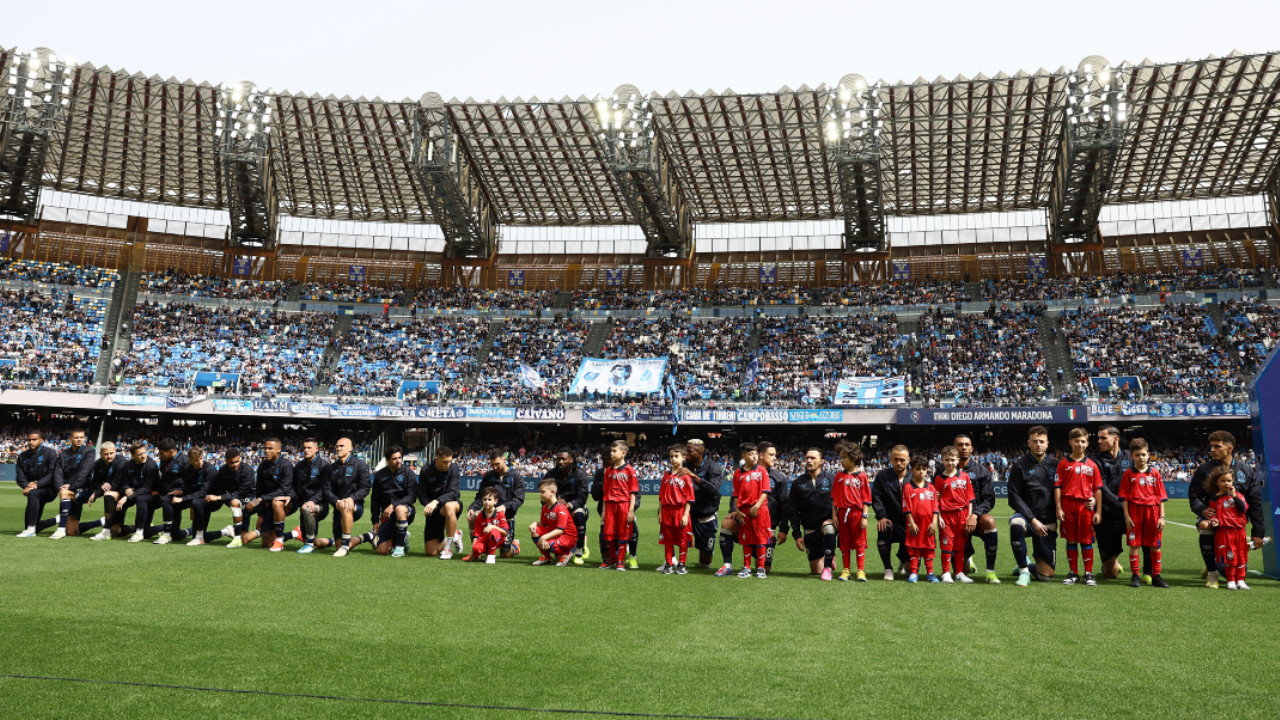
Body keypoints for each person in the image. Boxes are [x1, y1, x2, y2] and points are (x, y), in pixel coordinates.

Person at [1189, 430, 1266, 589]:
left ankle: (1214, 562)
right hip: (1214, 519)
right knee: (1204, 527)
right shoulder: (1204, 470)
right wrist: (1203, 510)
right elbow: (1194, 496)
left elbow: (1255, 503)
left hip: (1236, 524)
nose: (1212, 450)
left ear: (1229, 448)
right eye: (1211, 446)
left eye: (1217, 446)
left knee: (1235, 572)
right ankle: (1212, 573)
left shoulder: (1246, 471)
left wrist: (1258, 533)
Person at [1008, 425, 1059, 587]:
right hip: (1027, 517)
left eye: (1041, 441)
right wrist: (1032, 519)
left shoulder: (1056, 465)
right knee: (1016, 524)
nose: (1038, 444)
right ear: (1028, 443)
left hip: (1048, 522)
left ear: (1047, 444)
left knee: (1046, 576)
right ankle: (1024, 571)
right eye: (1035, 441)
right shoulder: (1019, 465)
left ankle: (1027, 564)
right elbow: (1013, 497)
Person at [1056, 427, 1103, 586]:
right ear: (1070, 442)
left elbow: (1097, 489)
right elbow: (1058, 487)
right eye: (1076, 441)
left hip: (1085, 507)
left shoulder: (1092, 465)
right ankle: (1073, 573)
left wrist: (1098, 511)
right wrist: (1058, 508)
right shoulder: (1063, 464)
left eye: (1083, 441)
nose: (1080, 444)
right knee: (1071, 540)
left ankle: (1088, 573)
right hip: (1068, 505)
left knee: (1086, 540)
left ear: (1087, 443)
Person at [1119, 438, 1168, 588]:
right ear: (1132, 456)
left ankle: (1157, 576)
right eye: (1138, 455)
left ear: (1148, 455)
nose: (1141, 457)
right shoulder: (1128, 474)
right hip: (1135, 513)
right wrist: (1126, 516)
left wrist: (1162, 517)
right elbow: (1124, 498)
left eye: (1144, 454)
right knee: (1134, 544)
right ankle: (1135, 576)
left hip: (1153, 513)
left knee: (1155, 545)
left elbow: (1161, 497)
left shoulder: (1155, 474)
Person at [954, 434, 999, 583]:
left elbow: (989, 500)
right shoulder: (943, 469)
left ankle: (990, 572)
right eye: (960, 444)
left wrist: (974, 514)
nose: (964, 447)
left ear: (972, 448)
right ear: (954, 448)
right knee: (961, 573)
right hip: (954, 520)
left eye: (967, 444)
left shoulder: (982, 471)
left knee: (989, 521)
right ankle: (968, 557)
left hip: (975, 518)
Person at [316, 437, 372, 557]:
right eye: (337, 446)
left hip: (355, 506)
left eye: (342, 446)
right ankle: (368, 536)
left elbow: (365, 488)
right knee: (338, 546)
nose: (338, 448)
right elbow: (326, 490)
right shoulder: (330, 468)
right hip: (338, 508)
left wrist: (351, 498)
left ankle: (345, 546)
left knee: (347, 507)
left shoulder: (360, 465)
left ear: (350, 449)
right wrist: (336, 502)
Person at [1090, 425, 1133, 580]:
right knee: (1111, 575)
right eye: (1098, 438)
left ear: (1115, 439)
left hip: (1129, 514)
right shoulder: (1094, 460)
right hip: (1107, 517)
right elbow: (1102, 489)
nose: (1099, 441)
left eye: (1103, 438)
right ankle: (1109, 562)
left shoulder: (1131, 457)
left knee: (1149, 536)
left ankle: (1148, 571)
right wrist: (1124, 506)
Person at [239, 438, 295, 551]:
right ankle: (294, 533)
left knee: (277, 502)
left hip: (288, 502)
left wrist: (260, 499)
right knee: (266, 543)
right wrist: (260, 514)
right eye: (265, 448)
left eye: (270, 448)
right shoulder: (263, 466)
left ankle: (279, 540)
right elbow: (259, 490)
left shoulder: (286, 465)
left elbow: (285, 489)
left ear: (279, 450)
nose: (266, 451)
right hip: (268, 504)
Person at [190, 448, 254, 546]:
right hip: (229, 498)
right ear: (226, 461)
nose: (235, 464)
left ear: (240, 459)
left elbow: (242, 492)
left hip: (248, 498)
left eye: (237, 461)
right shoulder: (223, 470)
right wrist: (195, 504)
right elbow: (217, 487)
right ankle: (225, 531)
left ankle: (248, 532)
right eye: (232, 462)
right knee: (197, 535)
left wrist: (218, 497)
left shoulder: (247, 470)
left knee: (244, 539)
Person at [789, 447, 837, 580]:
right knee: (816, 571)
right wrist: (797, 535)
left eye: (813, 458)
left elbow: (839, 502)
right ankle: (829, 554)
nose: (809, 461)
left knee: (828, 527)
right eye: (807, 458)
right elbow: (793, 510)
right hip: (810, 529)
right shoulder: (797, 483)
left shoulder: (832, 479)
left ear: (822, 461)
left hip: (828, 525)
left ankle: (828, 561)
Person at [466, 450, 524, 559]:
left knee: (505, 555)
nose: (494, 467)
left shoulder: (516, 476)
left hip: (506, 519)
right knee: (473, 516)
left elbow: (519, 499)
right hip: (488, 517)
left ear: (504, 460)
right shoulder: (488, 476)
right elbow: (480, 496)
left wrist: (505, 506)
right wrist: (472, 508)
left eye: (497, 464)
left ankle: (515, 546)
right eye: (492, 464)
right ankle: (476, 550)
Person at [727, 442, 771, 579]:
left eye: (755, 453)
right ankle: (746, 567)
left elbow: (765, 491)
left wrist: (757, 506)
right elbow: (736, 494)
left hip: (759, 510)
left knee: (760, 538)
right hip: (744, 511)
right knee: (746, 539)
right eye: (750, 454)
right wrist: (738, 511)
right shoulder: (737, 473)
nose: (754, 456)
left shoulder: (762, 471)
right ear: (744, 456)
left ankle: (761, 567)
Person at [1205, 466, 1251, 590]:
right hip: (1225, 531)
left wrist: (1234, 496)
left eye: (1229, 481)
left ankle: (1240, 580)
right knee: (1229, 556)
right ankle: (1230, 580)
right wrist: (1214, 521)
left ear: (1233, 481)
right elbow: (1213, 514)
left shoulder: (1238, 496)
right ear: (1217, 482)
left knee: (1241, 556)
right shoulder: (1214, 498)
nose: (1226, 483)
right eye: (1223, 481)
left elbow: (1243, 509)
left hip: (1239, 530)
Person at [933, 446, 974, 584]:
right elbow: (935, 501)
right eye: (947, 460)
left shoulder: (965, 477)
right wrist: (939, 517)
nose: (950, 462)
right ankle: (945, 572)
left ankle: (959, 572)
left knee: (960, 546)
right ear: (942, 461)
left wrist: (968, 516)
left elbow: (969, 500)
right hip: (946, 516)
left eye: (952, 459)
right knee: (946, 545)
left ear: (957, 460)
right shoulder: (938, 479)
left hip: (962, 515)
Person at [831, 440, 871, 582]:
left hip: (857, 513)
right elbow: (834, 499)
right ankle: (846, 570)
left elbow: (866, 499)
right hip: (842, 514)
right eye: (840, 457)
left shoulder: (862, 476)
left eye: (843, 457)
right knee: (845, 543)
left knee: (860, 543)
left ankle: (860, 571)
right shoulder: (838, 477)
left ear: (853, 458)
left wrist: (864, 516)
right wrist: (834, 515)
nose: (840, 461)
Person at [543, 447, 591, 564]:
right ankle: (559, 550)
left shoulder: (580, 474)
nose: (560, 462)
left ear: (571, 460)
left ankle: (579, 550)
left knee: (579, 515)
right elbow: (544, 493)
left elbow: (583, 497)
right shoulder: (551, 474)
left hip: (575, 507)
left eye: (563, 459)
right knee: (559, 555)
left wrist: (569, 505)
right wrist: (554, 505)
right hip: (556, 508)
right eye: (558, 459)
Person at [368, 445, 418, 558]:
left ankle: (399, 547)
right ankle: (402, 536)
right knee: (383, 550)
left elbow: (412, 496)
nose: (398, 461)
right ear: (387, 460)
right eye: (394, 458)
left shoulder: (409, 473)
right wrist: (375, 521)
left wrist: (394, 505)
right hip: (387, 515)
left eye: (399, 458)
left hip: (406, 511)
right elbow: (375, 499)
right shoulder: (380, 475)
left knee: (400, 509)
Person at [871, 445, 912, 580]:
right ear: (891, 459)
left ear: (908, 460)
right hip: (891, 522)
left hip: (910, 524)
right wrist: (882, 517)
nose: (899, 463)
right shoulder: (882, 476)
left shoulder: (915, 477)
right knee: (883, 527)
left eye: (902, 460)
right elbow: (876, 498)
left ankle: (903, 558)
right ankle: (888, 569)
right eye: (895, 459)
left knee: (910, 569)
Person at [598, 440, 639, 571]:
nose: (611, 453)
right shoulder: (608, 471)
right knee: (608, 534)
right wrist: (604, 510)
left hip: (624, 505)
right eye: (611, 450)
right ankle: (612, 558)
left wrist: (631, 510)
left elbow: (633, 492)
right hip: (609, 505)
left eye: (614, 451)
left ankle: (620, 561)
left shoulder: (629, 470)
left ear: (623, 453)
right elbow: (605, 492)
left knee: (623, 533)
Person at [684, 439, 725, 569]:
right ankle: (671, 562)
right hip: (687, 514)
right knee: (672, 537)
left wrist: (695, 477)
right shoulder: (684, 465)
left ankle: (708, 550)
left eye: (689, 451)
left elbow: (713, 490)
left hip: (705, 515)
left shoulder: (713, 467)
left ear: (699, 452)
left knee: (705, 563)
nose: (686, 454)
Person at [656, 443, 695, 574]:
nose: (673, 459)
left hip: (680, 510)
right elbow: (661, 497)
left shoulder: (685, 476)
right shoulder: (666, 476)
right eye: (671, 456)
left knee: (683, 538)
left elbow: (689, 498)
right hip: (667, 511)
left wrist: (685, 515)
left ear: (683, 457)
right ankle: (668, 563)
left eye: (676, 456)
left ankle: (682, 564)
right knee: (667, 539)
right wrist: (660, 513)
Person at [417, 445, 462, 559]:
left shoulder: (454, 468)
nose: (448, 465)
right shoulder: (425, 470)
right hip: (434, 511)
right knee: (431, 552)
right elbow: (422, 495)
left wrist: (436, 501)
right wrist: (429, 505)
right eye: (445, 462)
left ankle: (448, 549)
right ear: (436, 460)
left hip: (451, 506)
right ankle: (454, 535)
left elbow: (453, 493)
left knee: (449, 507)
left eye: (450, 461)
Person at [286, 438, 329, 553]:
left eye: (309, 448)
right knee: (314, 542)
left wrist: (313, 501)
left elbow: (325, 489)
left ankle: (308, 543)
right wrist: (289, 496)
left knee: (308, 509)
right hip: (302, 506)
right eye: (304, 448)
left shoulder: (324, 466)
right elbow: (294, 487)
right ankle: (334, 541)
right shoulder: (299, 466)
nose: (306, 450)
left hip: (320, 505)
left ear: (316, 449)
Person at [903, 455, 941, 583]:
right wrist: (911, 523)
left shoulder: (931, 487)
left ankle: (930, 573)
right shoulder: (908, 487)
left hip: (928, 525)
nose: (921, 472)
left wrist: (934, 522)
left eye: (924, 469)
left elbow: (935, 507)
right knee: (914, 549)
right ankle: (914, 573)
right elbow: (906, 507)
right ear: (912, 470)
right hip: (915, 525)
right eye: (918, 468)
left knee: (929, 549)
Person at [758, 441, 795, 573]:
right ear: (760, 455)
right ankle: (728, 564)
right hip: (748, 523)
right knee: (728, 525)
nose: (775, 458)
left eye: (775, 455)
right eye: (771, 455)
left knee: (765, 567)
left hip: (769, 526)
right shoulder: (746, 474)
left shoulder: (779, 478)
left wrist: (784, 529)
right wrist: (733, 511)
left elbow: (785, 505)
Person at [50, 428, 94, 539]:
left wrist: (71, 486)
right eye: (76, 437)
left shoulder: (89, 451)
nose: (79, 440)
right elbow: (58, 473)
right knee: (72, 532)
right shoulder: (63, 454)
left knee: (65, 493)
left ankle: (60, 529)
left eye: (81, 437)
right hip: (68, 489)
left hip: (84, 488)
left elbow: (85, 473)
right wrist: (60, 486)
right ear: (70, 439)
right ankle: (100, 522)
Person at [15, 431, 60, 537]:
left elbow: (52, 474)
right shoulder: (22, 456)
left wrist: (37, 484)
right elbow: (20, 476)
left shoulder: (50, 453)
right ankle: (57, 519)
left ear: (41, 440)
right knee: (32, 525)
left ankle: (30, 529)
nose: (31, 442)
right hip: (33, 490)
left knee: (33, 494)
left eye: (34, 439)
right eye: (29, 440)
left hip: (49, 490)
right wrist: (27, 486)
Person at [83, 442, 129, 540]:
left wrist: (97, 494)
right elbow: (94, 482)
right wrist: (101, 485)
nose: (109, 456)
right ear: (101, 454)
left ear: (116, 452)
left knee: (108, 494)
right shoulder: (98, 464)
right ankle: (142, 528)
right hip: (113, 492)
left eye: (111, 453)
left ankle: (105, 531)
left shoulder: (121, 462)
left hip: (123, 492)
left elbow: (116, 484)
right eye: (106, 454)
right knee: (116, 531)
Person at [529, 477, 577, 566]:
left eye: (543, 492)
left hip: (567, 537)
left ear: (552, 492)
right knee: (534, 530)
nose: (540, 494)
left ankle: (567, 553)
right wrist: (535, 523)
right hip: (555, 534)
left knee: (545, 543)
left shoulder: (560, 508)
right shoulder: (545, 507)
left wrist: (543, 537)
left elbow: (560, 530)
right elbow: (544, 524)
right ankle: (547, 557)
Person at [152, 438, 191, 545]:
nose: (160, 455)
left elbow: (191, 480)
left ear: (171, 451)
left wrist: (182, 491)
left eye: (161, 453)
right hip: (166, 492)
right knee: (176, 535)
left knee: (166, 500)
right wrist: (158, 490)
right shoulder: (164, 460)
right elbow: (165, 477)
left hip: (179, 495)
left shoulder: (185, 461)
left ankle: (167, 534)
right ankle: (191, 530)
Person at [121, 443, 162, 543]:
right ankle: (114, 527)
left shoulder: (151, 465)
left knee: (141, 498)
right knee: (115, 498)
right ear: (133, 455)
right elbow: (124, 482)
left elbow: (147, 488)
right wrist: (126, 489)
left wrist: (126, 496)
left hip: (153, 496)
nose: (143, 455)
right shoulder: (128, 465)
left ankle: (139, 532)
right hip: (137, 494)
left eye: (144, 452)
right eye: (139, 454)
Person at [464, 487, 508, 564]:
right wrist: (473, 551)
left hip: (498, 539)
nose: (487, 502)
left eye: (489, 499)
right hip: (485, 539)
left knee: (493, 531)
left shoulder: (500, 514)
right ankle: (478, 554)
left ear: (495, 501)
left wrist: (493, 527)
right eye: (485, 499)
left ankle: (491, 555)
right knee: (475, 548)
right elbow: (476, 535)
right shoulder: (480, 516)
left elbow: (505, 532)